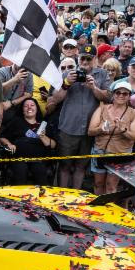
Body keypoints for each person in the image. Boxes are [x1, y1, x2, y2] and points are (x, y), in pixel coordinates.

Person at [48, 50, 110, 189]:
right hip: (68, 128)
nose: (85, 62)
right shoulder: (66, 74)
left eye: (89, 59)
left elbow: (108, 98)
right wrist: (66, 84)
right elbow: (54, 100)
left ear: (94, 59)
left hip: (89, 129)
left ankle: (76, 196)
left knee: (81, 166)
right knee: (64, 165)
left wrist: (94, 88)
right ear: (78, 59)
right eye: (82, 59)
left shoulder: (102, 74)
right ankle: (62, 196)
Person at [0, 96, 55, 184]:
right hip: (19, 158)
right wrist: (9, 144)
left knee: (40, 173)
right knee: (20, 172)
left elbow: (53, 145)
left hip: (38, 160)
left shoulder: (43, 125)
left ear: (37, 108)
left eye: (32, 105)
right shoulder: (16, 122)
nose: (29, 107)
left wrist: (43, 137)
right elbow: (2, 137)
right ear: (22, 109)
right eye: (26, 106)